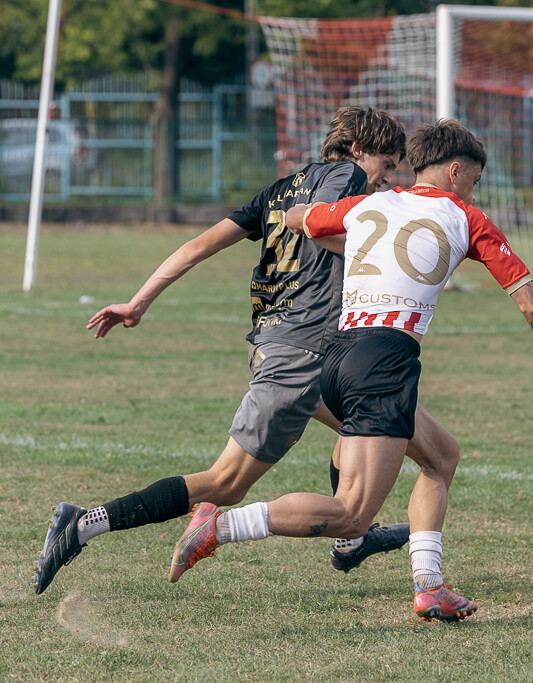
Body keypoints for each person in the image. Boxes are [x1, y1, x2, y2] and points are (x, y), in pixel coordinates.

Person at [168, 118, 533, 623]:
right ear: (457, 171)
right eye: (476, 180)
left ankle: (430, 586)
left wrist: (345, 236)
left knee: (441, 457)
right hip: (384, 360)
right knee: (351, 514)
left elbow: (298, 219)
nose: (474, 189)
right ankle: (217, 529)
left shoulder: (372, 204)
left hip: (334, 355)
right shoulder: (468, 218)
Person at [33, 106, 461, 595]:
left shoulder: (278, 190)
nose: (387, 178)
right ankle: (83, 522)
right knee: (225, 483)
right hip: (302, 352)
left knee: (428, 448)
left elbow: (198, 245)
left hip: (310, 349)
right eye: (386, 164)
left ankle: (352, 537)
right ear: (358, 150)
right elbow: (325, 227)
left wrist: (138, 302)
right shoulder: (346, 177)